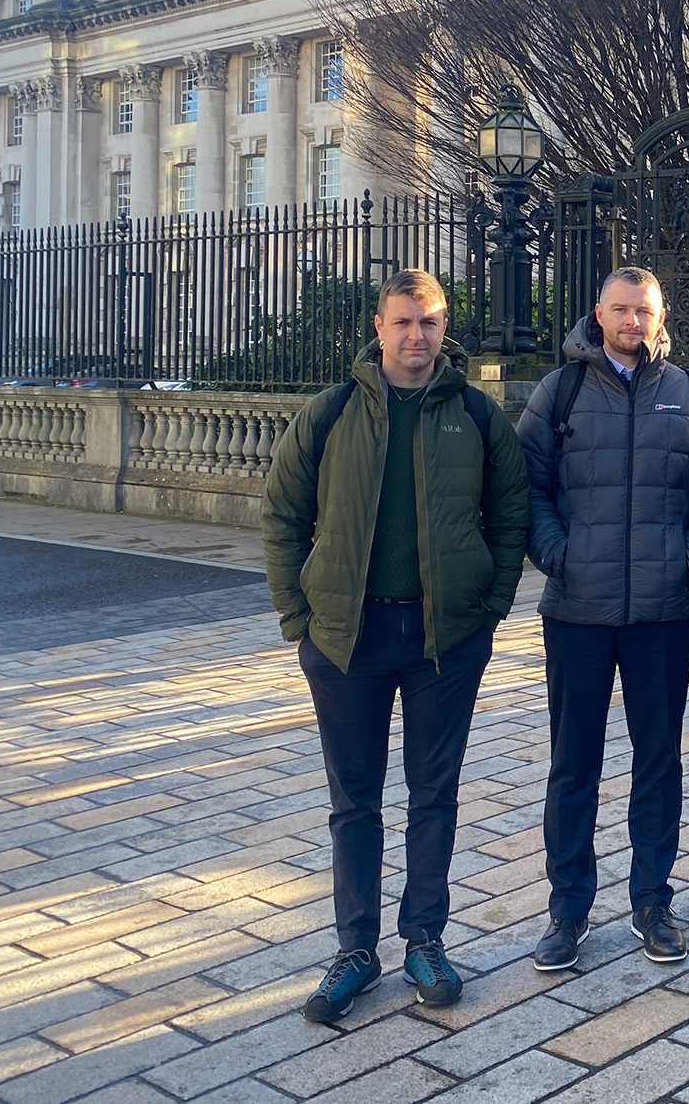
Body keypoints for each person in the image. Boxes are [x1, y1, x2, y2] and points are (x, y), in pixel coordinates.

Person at [261, 269, 529, 1024]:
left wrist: (492, 607)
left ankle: (424, 939)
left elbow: (512, 514)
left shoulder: (477, 415)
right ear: (378, 328)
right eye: (404, 322)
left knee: (433, 795)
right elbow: (281, 513)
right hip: (348, 637)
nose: (417, 336)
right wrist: (298, 616)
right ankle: (354, 949)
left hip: (445, 638)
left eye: (431, 323)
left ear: (446, 331)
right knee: (354, 802)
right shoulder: (332, 412)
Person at [517, 268, 689, 972]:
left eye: (644, 310)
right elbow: (528, 486)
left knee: (658, 763)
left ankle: (652, 900)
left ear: (659, 314)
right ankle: (568, 909)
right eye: (621, 309)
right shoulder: (563, 390)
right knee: (573, 767)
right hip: (578, 610)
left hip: (662, 613)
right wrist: (559, 554)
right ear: (598, 312)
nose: (633, 321)